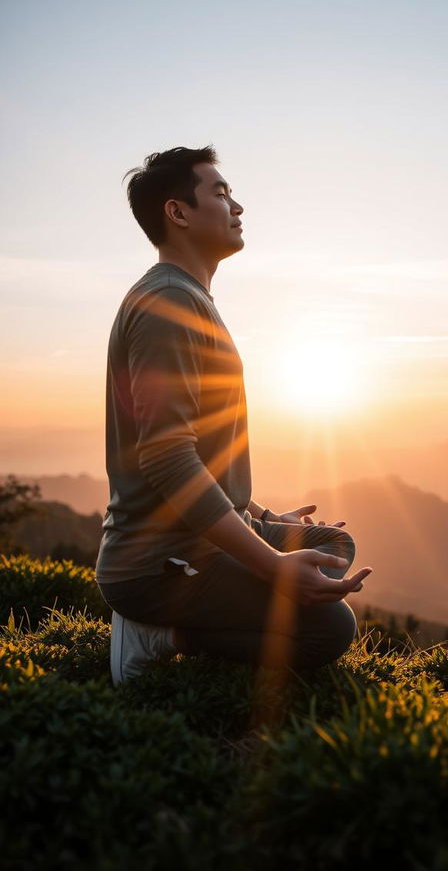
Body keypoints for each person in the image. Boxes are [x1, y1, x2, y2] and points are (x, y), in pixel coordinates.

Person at [94, 144, 373, 685]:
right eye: (220, 194)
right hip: (157, 562)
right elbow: (168, 458)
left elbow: (201, 447)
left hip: (190, 540)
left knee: (331, 550)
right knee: (329, 628)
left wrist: (259, 515)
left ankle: (246, 541)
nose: (237, 206)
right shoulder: (168, 305)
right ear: (177, 212)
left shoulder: (188, 297)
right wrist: (273, 566)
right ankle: (156, 635)